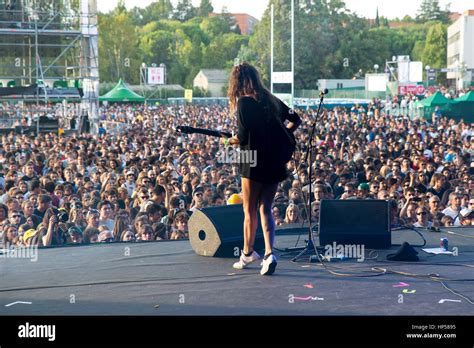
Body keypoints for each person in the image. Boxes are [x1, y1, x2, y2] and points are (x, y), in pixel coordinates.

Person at [224, 62, 301, 275]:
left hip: (252, 160)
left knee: (249, 210)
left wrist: (230, 141)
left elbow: (241, 138)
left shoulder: (243, 103)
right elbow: (295, 119)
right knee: (265, 208)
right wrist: (280, 137)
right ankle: (269, 254)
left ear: (237, 82)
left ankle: (248, 253)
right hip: (274, 161)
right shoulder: (272, 100)